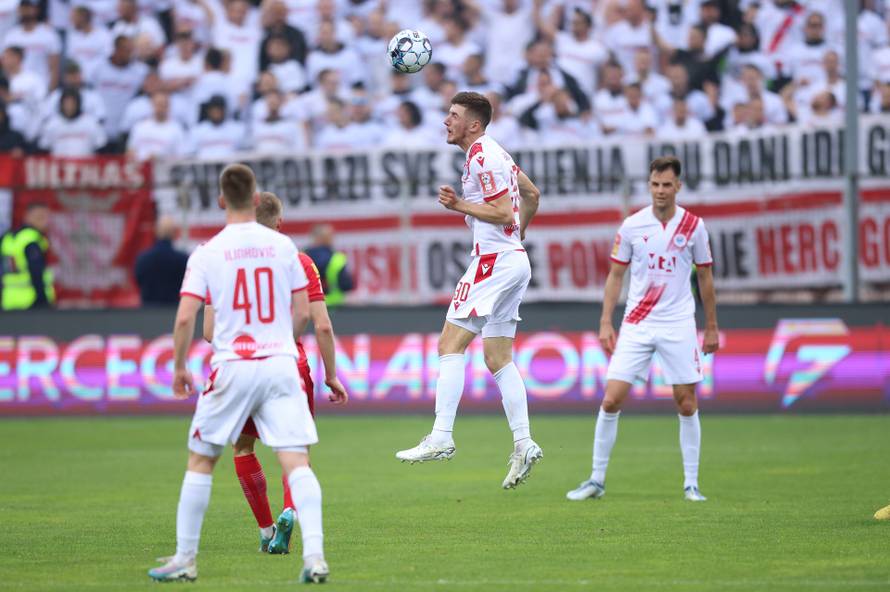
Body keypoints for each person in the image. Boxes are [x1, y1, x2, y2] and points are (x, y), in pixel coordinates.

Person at [147, 164, 329, 584]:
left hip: (232, 366)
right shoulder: (285, 249)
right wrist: (282, 343)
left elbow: (186, 320)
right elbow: (303, 312)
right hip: (281, 362)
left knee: (201, 460)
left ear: (222, 202)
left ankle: (186, 559)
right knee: (297, 460)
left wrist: (178, 367)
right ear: (255, 199)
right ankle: (315, 558)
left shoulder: (208, 252)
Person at [395, 91, 544, 490]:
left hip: (494, 262)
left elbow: (503, 211)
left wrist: (460, 206)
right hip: (512, 258)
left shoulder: (483, 155)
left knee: (450, 343)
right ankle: (524, 442)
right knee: (497, 357)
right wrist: (520, 234)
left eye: (454, 115)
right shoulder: (497, 154)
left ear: (473, 124)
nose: (446, 121)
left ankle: (442, 436)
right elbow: (531, 195)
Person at [566, 156, 719, 503]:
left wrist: (711, 327)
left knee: (685, 401)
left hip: (678, 322)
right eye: (655, 184)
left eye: (667, 185)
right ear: (648, 185)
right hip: (637, 322)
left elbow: (706, 278)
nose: (660, 191)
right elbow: (615, 276)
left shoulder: (693, 226)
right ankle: (596, 479)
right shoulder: (632, 225)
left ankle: (691, 484)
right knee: (610, 398)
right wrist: (606, 321)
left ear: (678, 186)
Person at [202, 191, 347, 556]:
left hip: (240, 365)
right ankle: (289, 511)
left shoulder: (224, 260)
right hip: (288, 363)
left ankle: (266, 530)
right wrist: (331, 375)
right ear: (280, 223)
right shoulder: (299, 261)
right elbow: (323, 325)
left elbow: (207, 331)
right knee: (295, 449)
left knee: (242, 446)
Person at [0, 202, 54, 310]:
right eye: (40, 217)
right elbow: (36, 271)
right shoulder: (31, 239)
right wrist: (42, 299)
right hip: (31, 301)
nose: (45, 222)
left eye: (46, 217)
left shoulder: (8, 237)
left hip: (8, 300)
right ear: (28, 217)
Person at [134, 216, 189, 305]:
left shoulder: (142, 260)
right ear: (174, 233)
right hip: (173, 312)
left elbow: (138, 281)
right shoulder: (183, 260)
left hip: (147, 314)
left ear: (156, 231)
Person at [304, 223, 353, 308]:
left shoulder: (301, 257)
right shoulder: (337, 259)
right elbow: (347, 285)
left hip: (308, 308)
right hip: (334, 309)